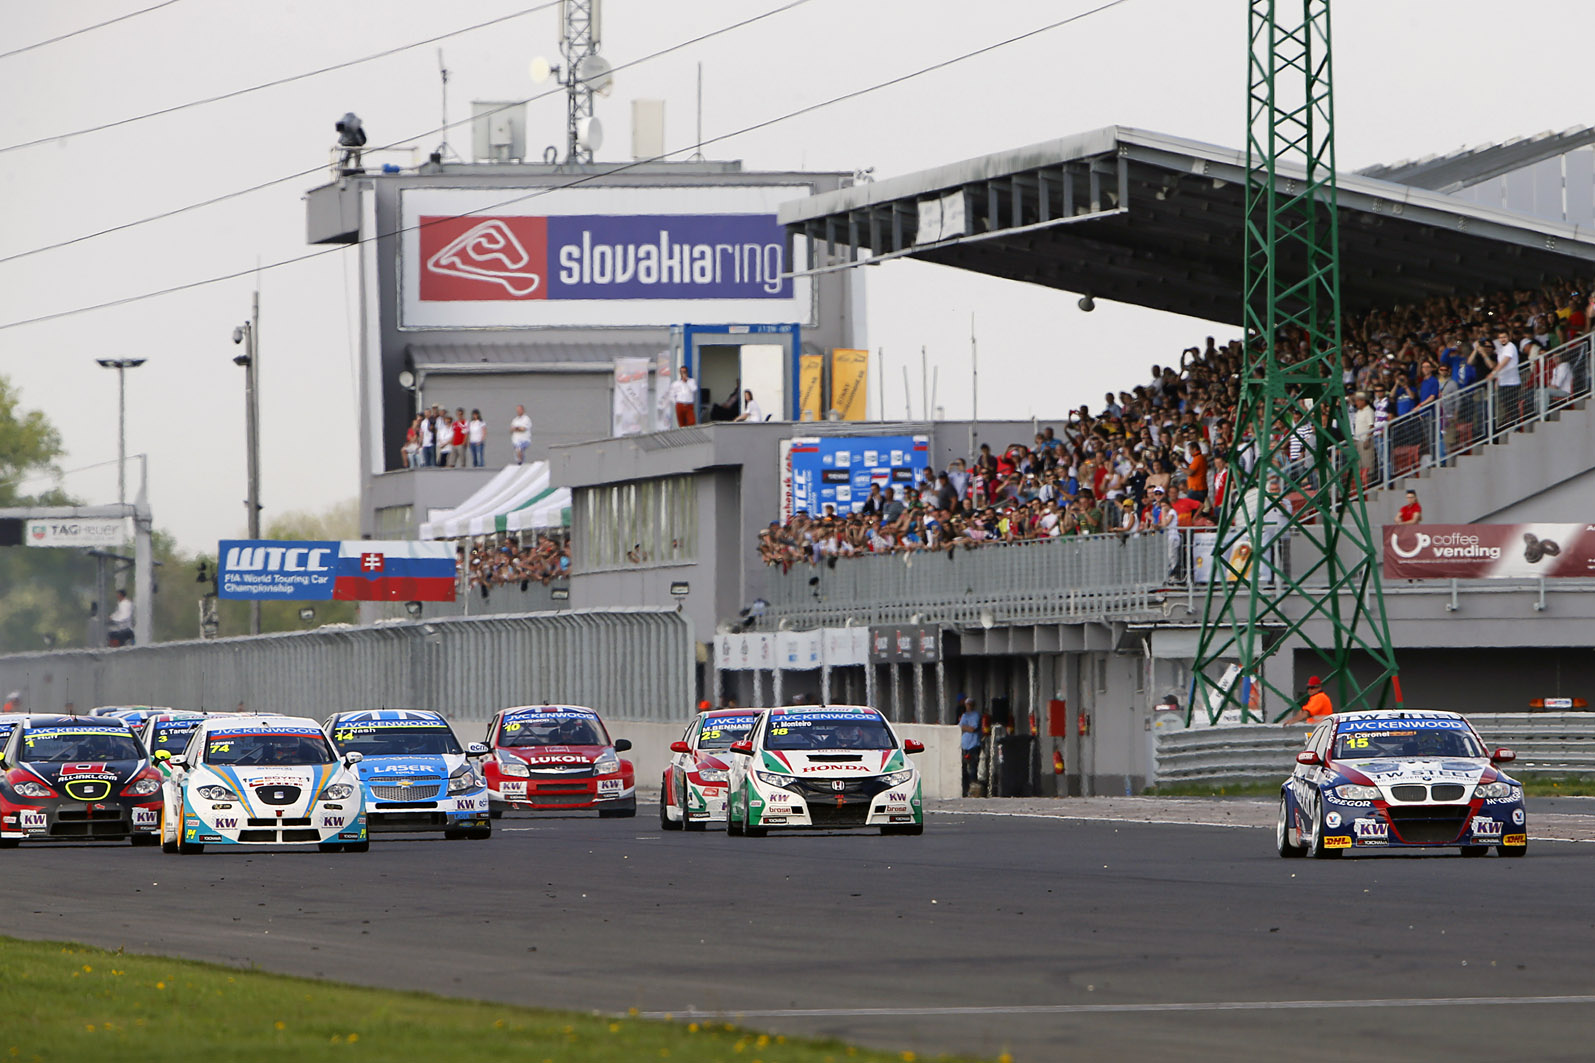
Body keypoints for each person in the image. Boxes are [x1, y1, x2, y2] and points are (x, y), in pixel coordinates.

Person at [957, 696, 982, 797]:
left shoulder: (975, 715)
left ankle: (974, 790)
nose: (968, 707)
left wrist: (965, 727)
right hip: (965, 745)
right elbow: (960, 726)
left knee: (972, 768)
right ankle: (965, 790)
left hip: (973, 745)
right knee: (963, 769)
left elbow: (972, 729)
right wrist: (966, 727)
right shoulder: (965, 715)